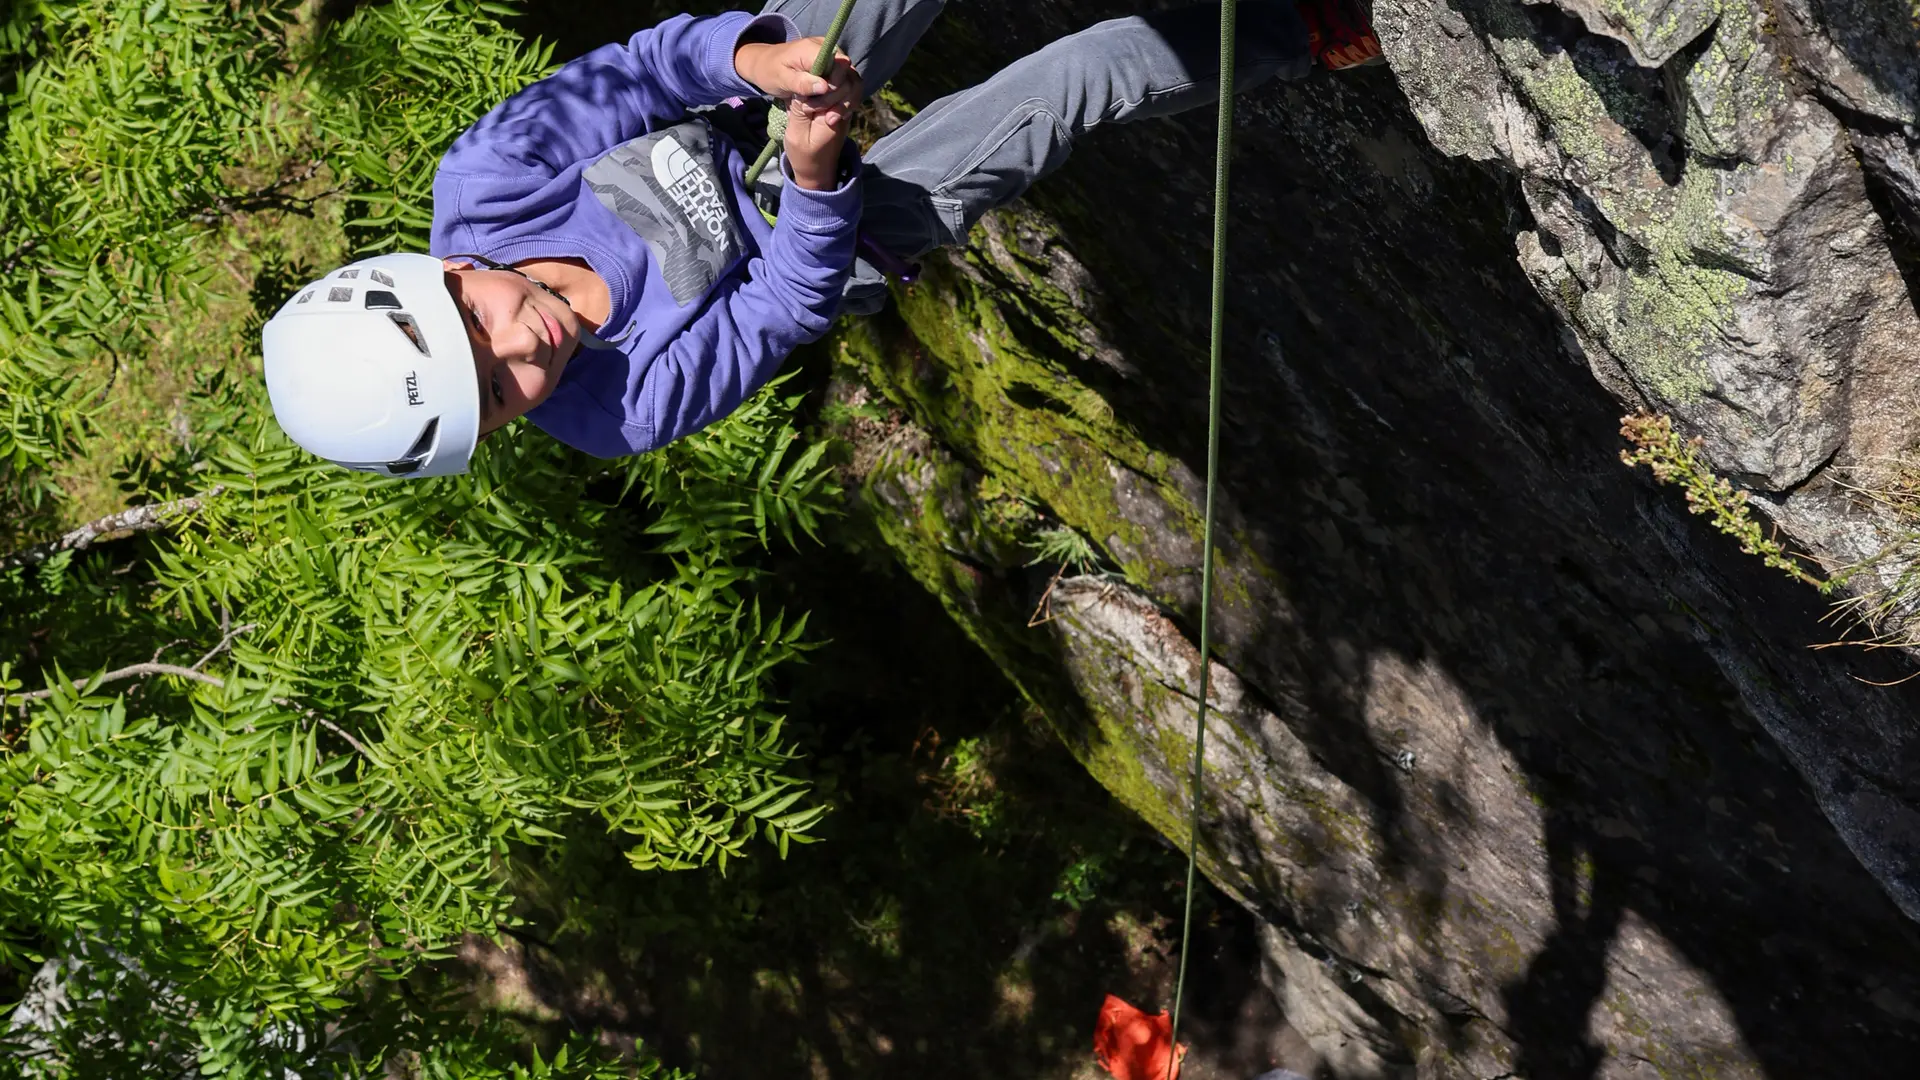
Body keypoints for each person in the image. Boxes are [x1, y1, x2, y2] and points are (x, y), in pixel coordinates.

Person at [260, 1, 1376, 478]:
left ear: (455, 270)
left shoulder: (493, 178)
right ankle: (1307, 23)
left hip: (744, 102)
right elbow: (780, 309)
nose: (528, 358)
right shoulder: (618, 413)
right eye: (501, 398)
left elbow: (648, 70)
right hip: (838, 236)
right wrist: (814, 179)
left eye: (485, 337)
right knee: (1077, 82)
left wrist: (760, 67)